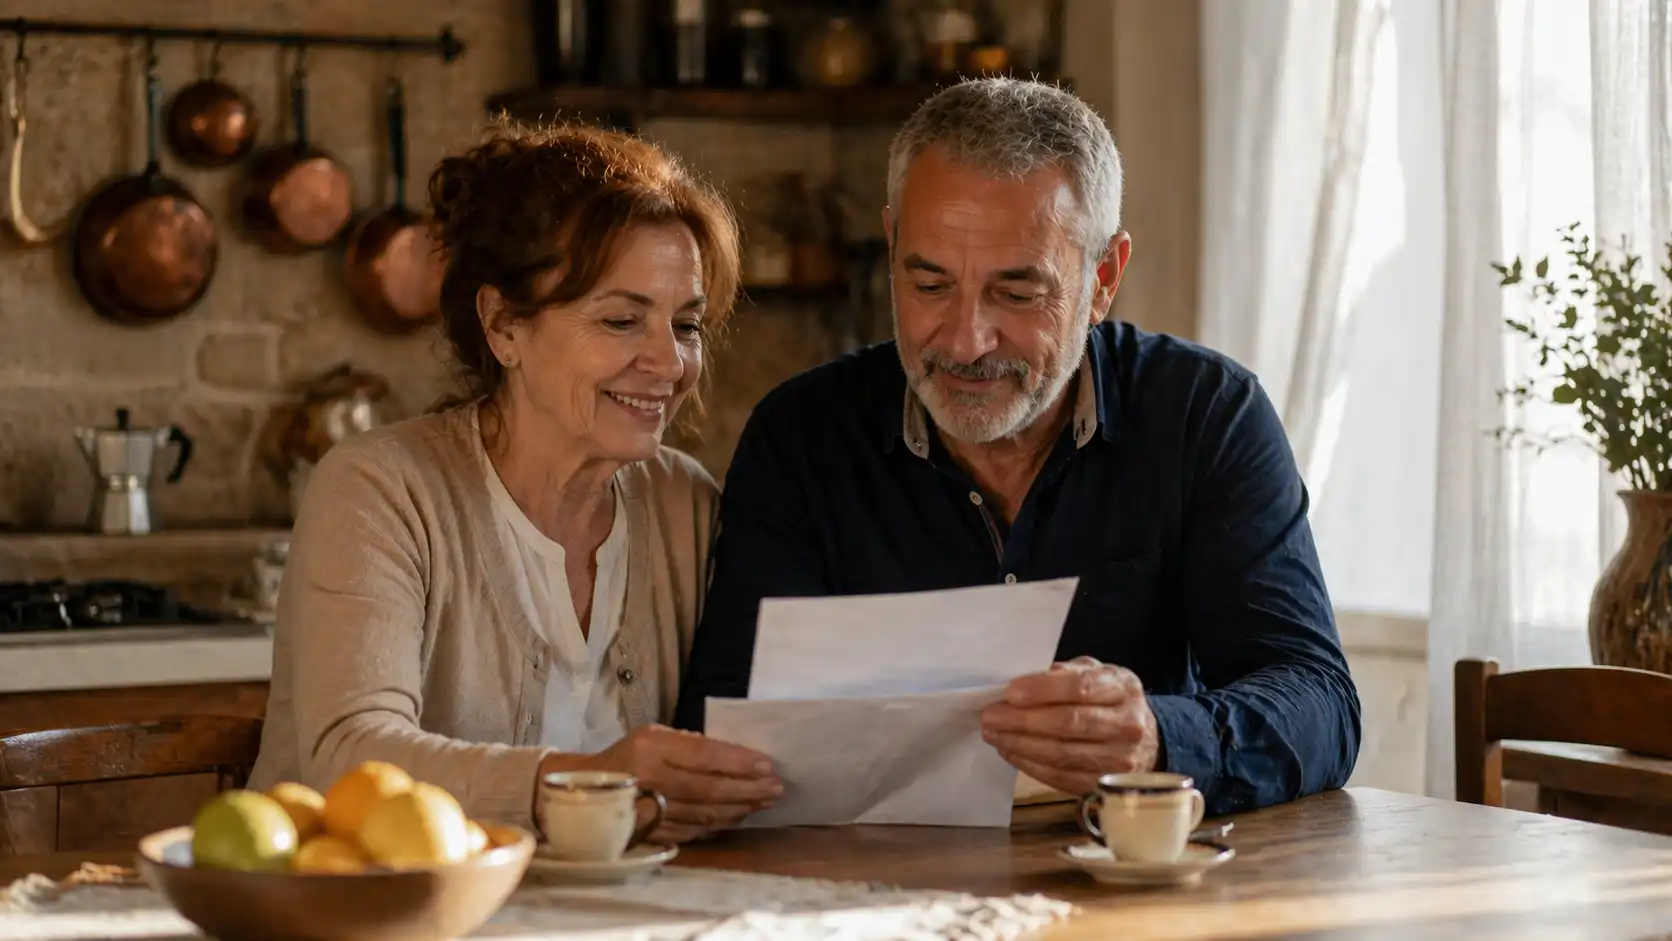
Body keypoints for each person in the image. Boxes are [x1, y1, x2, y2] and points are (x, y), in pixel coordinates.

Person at [672, 78, 1360, 817]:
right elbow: (722, 725)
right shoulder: (801, 438)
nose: (967, 342)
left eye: (1017, 293)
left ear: (1103, 279)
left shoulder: (1204, 416)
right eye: (929, 283)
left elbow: (1319, 701)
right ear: (892, 244)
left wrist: (1160, 736)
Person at [250, 121, 783, 844]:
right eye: (623, 320)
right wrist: (581, 785)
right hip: (376, 911)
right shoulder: (380, 489)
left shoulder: (682, 501)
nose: (669, 362)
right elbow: (353, 757)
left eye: (685, 325)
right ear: (503, 326)